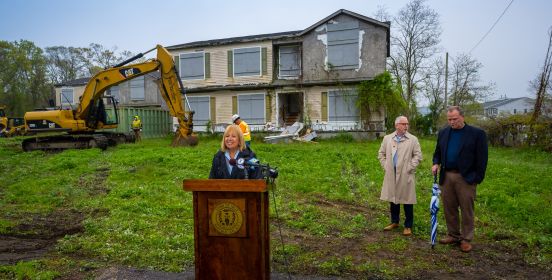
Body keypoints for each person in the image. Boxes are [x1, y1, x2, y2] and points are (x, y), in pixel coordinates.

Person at [432, 106, 488, 253]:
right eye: (449, 119)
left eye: (455, 119)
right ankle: (453, 235)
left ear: (462, 117)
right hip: (447, 176)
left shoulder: (477, 134)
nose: (452, 122)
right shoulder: (444, 132)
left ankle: (466, 239)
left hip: (466, 177)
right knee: (449, 207)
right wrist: (435, 163)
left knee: (466, 208)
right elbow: (437, 151)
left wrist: (477, 178)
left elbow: (482, 159)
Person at [378, 116, 423, 236]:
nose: (406, 126)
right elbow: (381, 154)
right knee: (393, 198)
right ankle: (394, 221)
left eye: (407, 124)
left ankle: (408, 225)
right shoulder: (388, 138)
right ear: (396, 125)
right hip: (391, 173)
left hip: (405, 174)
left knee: (407, 199)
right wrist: (386, 166)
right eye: (404, 124)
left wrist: (409, 167)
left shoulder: (412, 139)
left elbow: (418, 156)